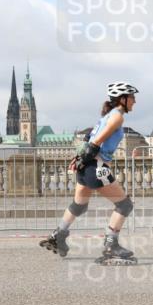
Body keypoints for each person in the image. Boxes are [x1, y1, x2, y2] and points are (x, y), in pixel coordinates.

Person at [40, 82, 138, 264]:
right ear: (122, 99)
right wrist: (85, 157)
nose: (134, 101)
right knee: (125, 205)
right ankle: (111, 246)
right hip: (97, 167)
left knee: (79, 205)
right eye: (132, 97)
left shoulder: (106, 116)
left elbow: (88, 138)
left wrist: (79, 159)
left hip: (86, 167)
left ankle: (58, 235)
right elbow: (95, 143)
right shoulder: (117, 117)